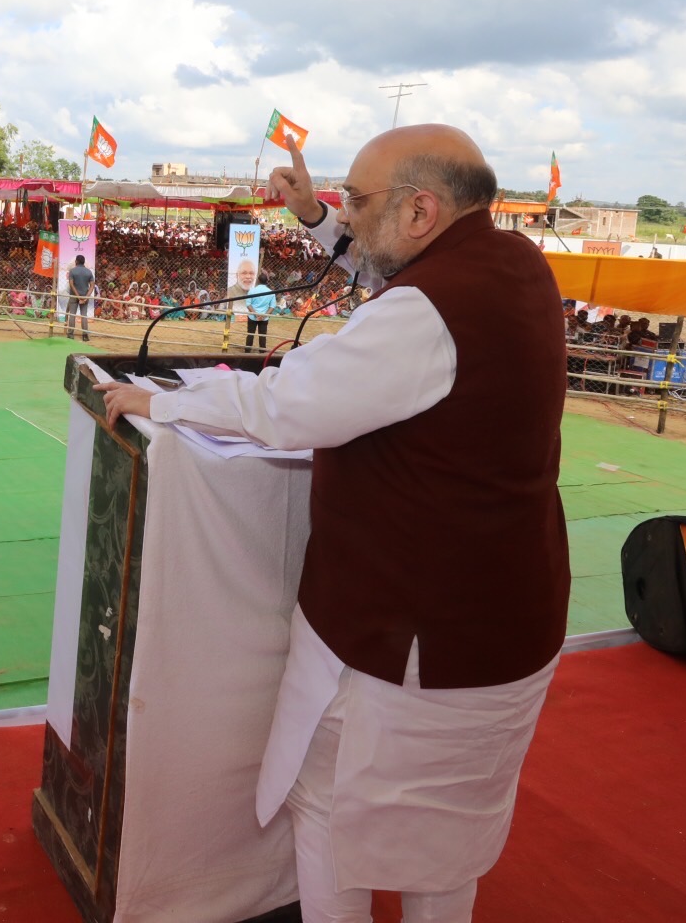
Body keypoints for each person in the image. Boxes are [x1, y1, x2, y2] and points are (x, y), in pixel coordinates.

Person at [96, 125, 567, 923]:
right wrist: (314, 214)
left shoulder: (427, 311)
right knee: (446, 838)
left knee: (333, 818)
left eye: (357, 199)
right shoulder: (512, 262)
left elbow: (287, 407)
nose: (348, 213)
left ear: (421, 210)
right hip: (503, 624)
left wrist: (164, 400)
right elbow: (389, 275)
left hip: (406, 639)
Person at [242, 260, 274, 352]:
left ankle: (247, 352)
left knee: (250, 334)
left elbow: (248, 304)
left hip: (253, 316)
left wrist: (256, 314)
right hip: (264, 317)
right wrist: (263, 315)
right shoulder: (271, 292)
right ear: (266, 281)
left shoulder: (252, 290)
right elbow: (272, 307)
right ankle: (262, 352)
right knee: (262, 335)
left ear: (258, 281)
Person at [64, 253, 95, 342]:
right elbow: (92, 286)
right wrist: (86, 297)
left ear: (76, 261)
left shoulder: (72, 271)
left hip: (74, 295)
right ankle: (85, 335)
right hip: (84, 295)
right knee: (84, 315)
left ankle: (70, 334)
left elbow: (71, 284)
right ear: (84, 262)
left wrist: (77, 296)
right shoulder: (88, 272)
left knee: (72, 315)